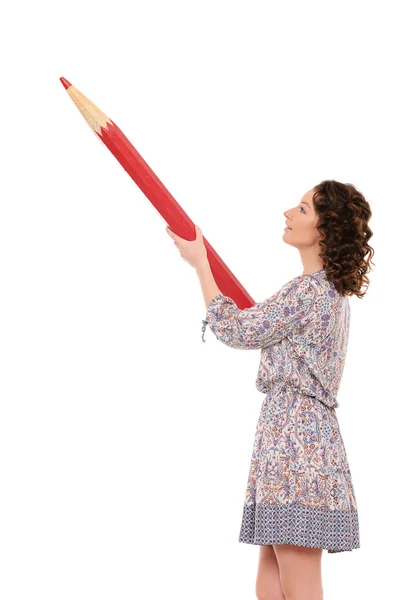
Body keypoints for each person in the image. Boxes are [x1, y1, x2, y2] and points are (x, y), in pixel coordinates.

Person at [165, 179, 374, 600]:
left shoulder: (308, 292)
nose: (288, 213)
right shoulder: (328, 294)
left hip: (296, 443)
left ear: (325, 228)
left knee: (297, 582)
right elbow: (258, 325)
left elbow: (238, 330)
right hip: (291, 437)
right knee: (271, 578)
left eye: (302, 209)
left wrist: (201, 265)